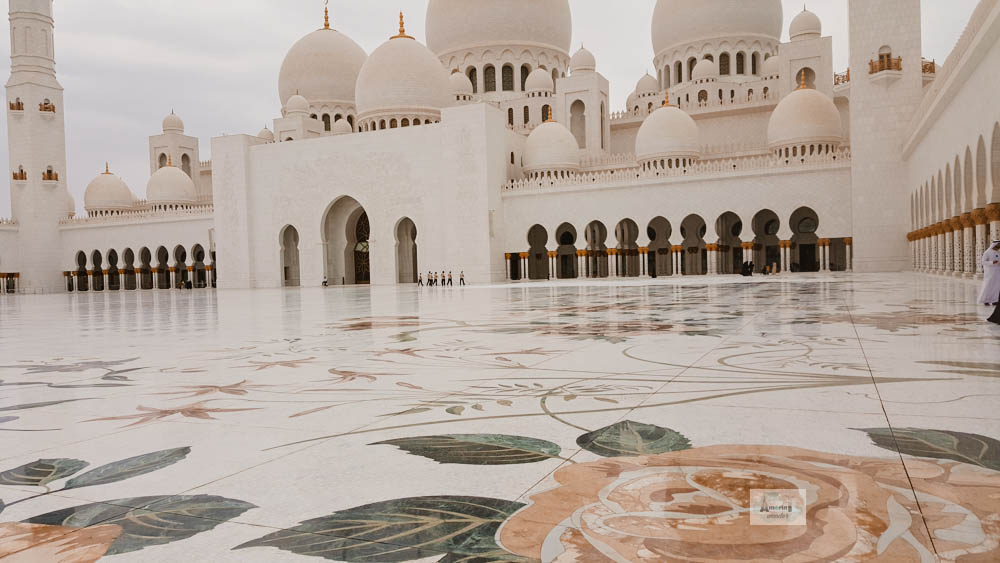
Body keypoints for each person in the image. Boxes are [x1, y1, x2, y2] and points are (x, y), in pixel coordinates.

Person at [978, 240, 1000, 306]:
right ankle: (985, 300)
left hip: (997, 272)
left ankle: (994, 300)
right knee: (988, 286)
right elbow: (983, 262)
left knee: (996, 286)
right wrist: (992, 262)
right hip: (990, 273)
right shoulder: (987, 252)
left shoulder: (998, 253)